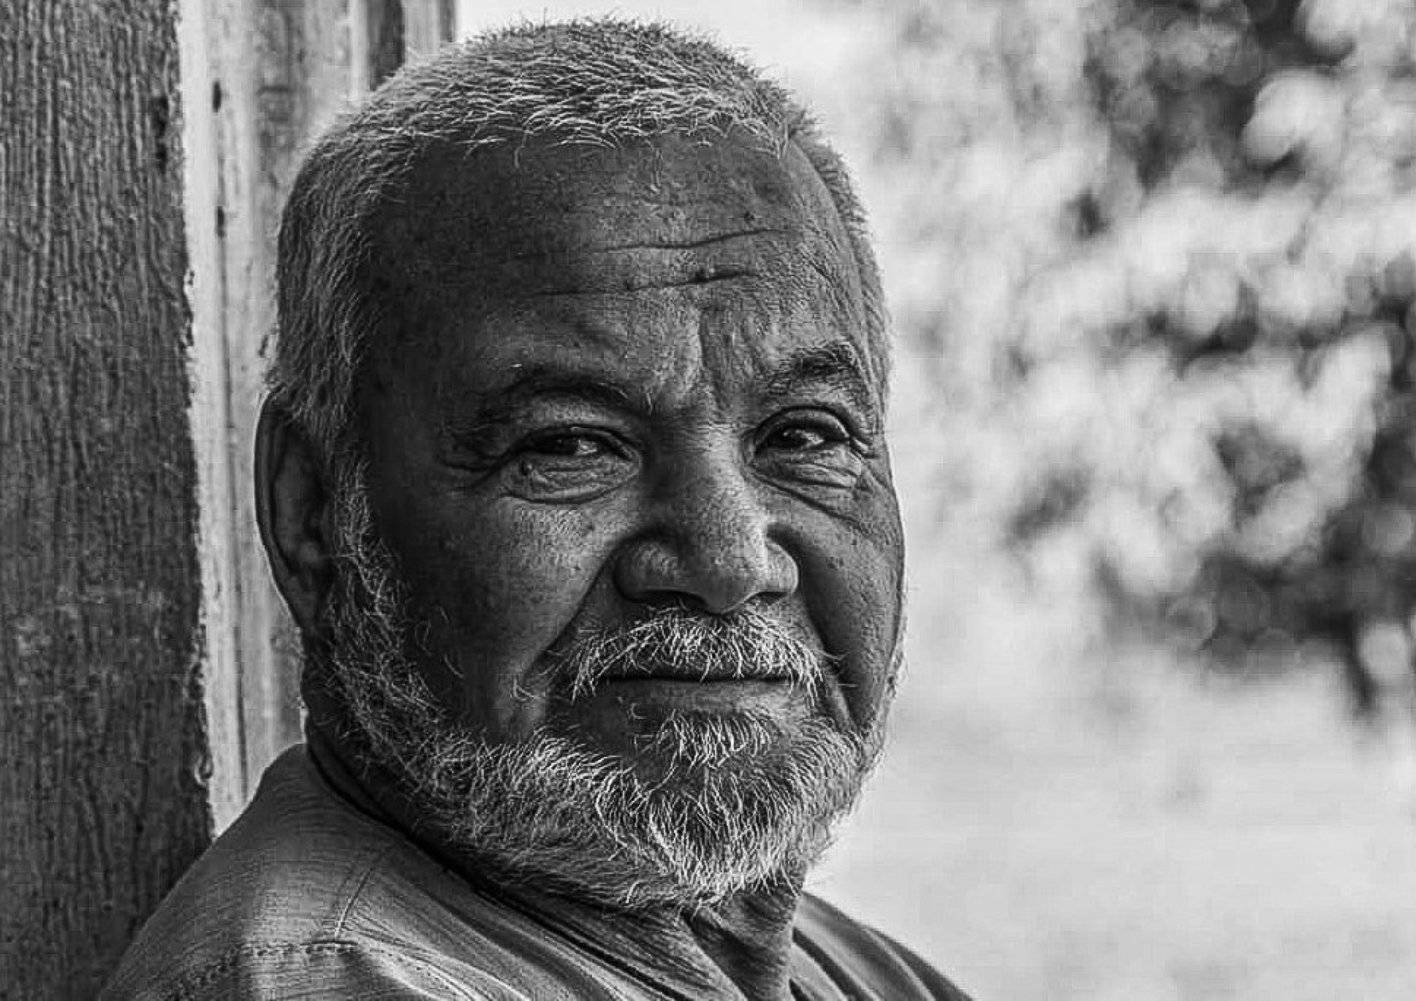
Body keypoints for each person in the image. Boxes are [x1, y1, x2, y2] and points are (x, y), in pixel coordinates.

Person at [104, 19, 970, 1001]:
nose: (731, 561)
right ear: (315, 517)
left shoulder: (830, 964)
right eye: (569, 446)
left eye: (803, 435)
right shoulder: (339, 981)